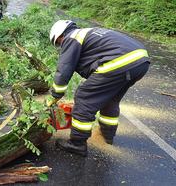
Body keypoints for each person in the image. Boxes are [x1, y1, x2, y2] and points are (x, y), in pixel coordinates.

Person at [47, 20, 150, 157]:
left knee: (84, 97)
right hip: (141, 62)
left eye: (59, 43)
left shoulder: (71, 38)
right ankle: (107, 135)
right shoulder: (87, 33)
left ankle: (77, 143)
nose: (61, 46)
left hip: (120, 62)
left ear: (59, 36)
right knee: (110, 100)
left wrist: (55, 95)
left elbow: (64, 69)